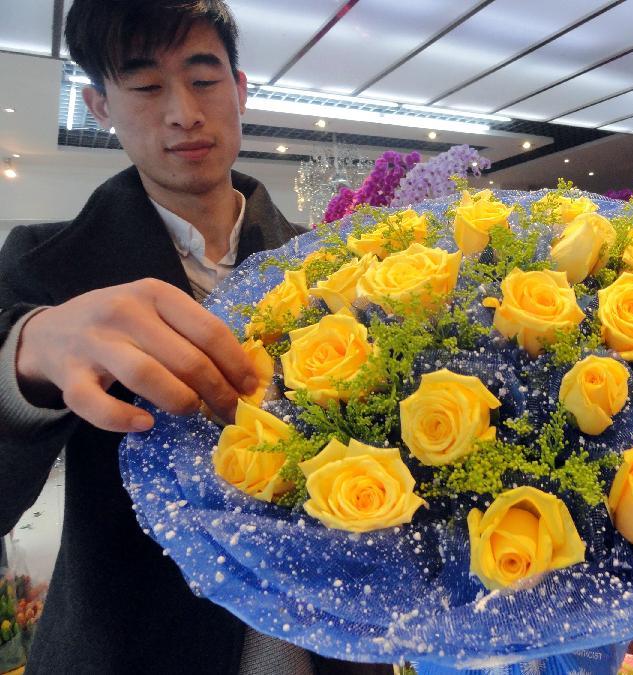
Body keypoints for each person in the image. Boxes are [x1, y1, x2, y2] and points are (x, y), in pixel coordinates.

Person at [0, 2, 386, 673]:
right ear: (99, 105)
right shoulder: (46, 266)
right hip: (133, 645)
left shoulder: (333, 267)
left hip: (328, 649)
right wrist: (25, 362)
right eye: (146, 86)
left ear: (239, 89)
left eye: (204, 79)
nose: (182, 112)